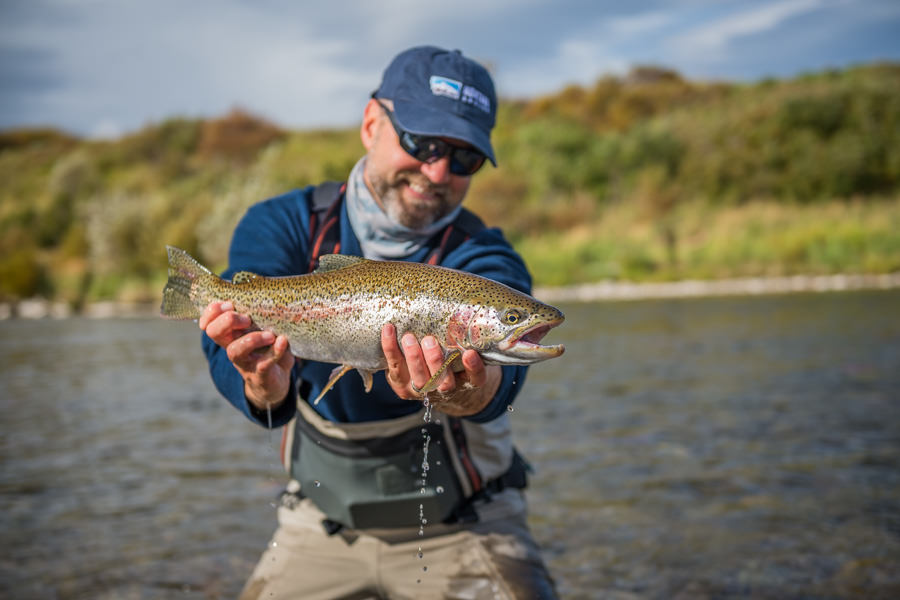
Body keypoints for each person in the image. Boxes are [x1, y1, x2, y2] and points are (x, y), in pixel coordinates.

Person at [199, 46, 558, 599]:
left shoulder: (485, 257)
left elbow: (502, 384)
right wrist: (260, 386)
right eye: (423, 143)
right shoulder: (283, 224)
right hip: (318, 523)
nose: (437, 171)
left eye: (464, 158)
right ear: (371, 124)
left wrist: (466, 388)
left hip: (466, 523)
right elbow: (227, 338)